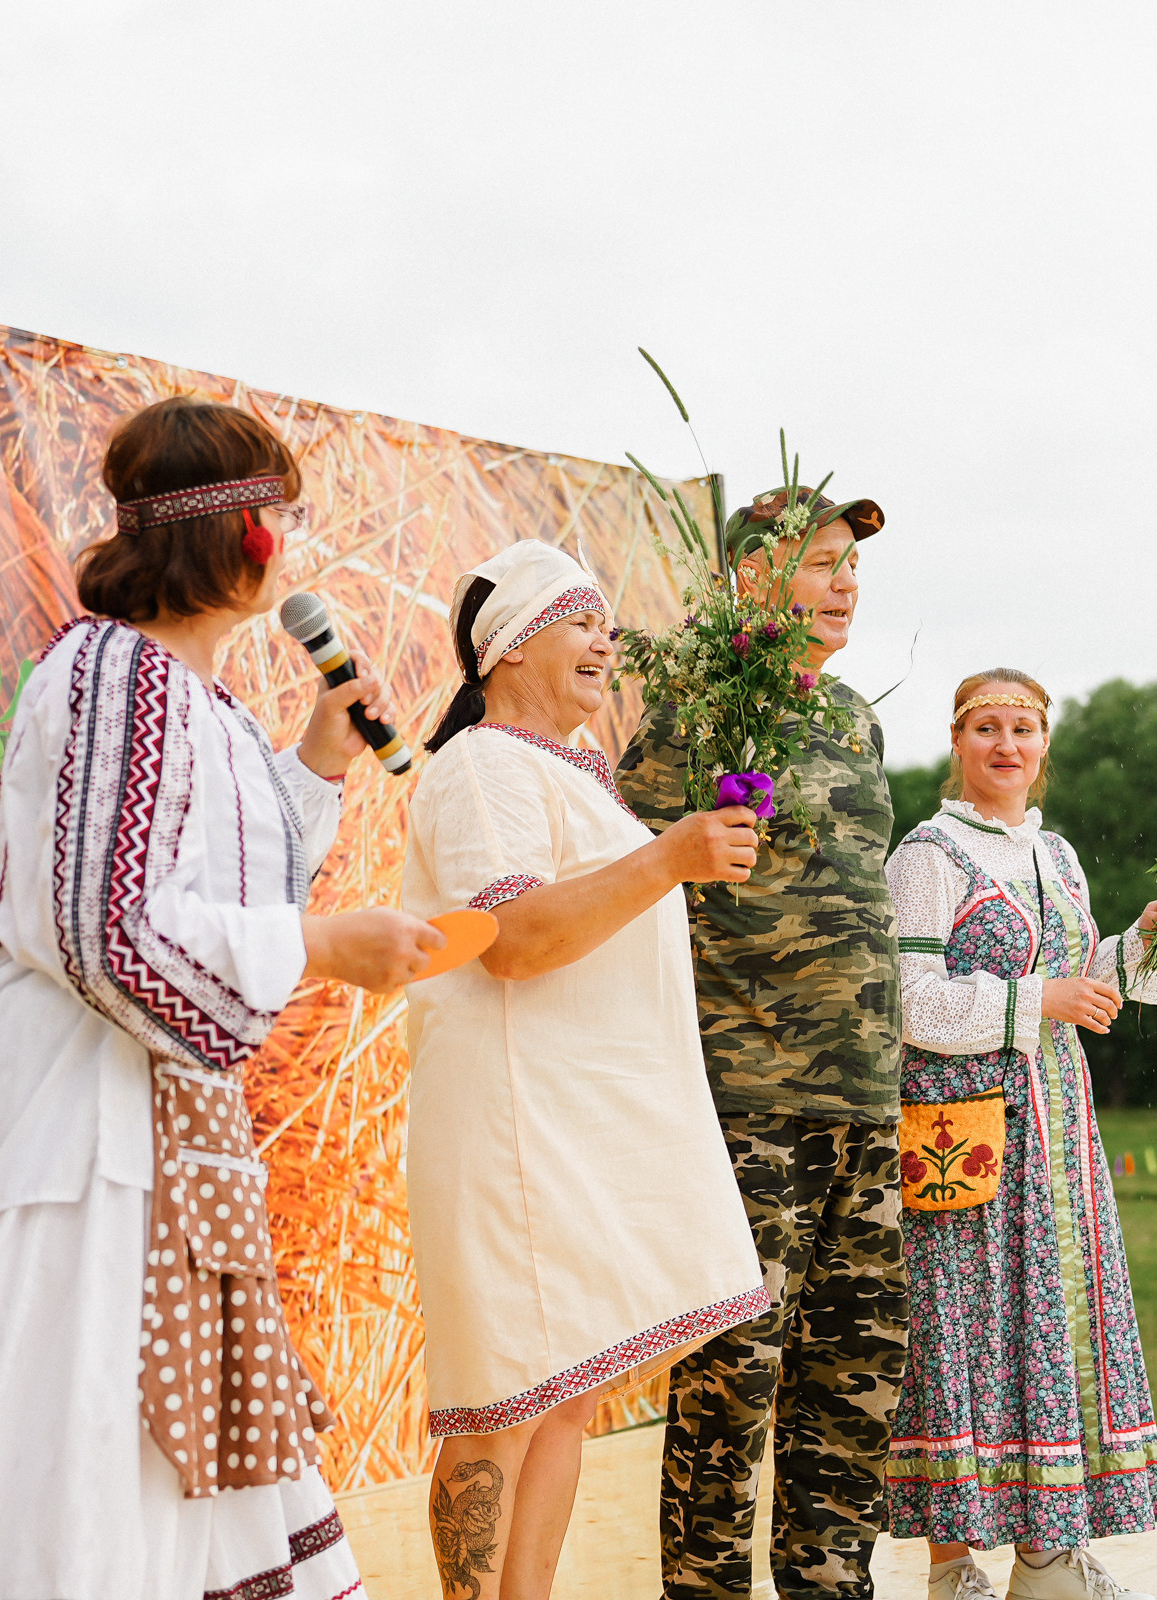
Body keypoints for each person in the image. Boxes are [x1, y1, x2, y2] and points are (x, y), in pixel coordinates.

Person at [0, 395, 441, 1600]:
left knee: (142, 1436)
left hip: (154, 1124)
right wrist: (325, 944)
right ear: (242, 534)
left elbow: (214, 896)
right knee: (79, 1429)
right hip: (82, 1121)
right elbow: (116, 926)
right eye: (277, 518)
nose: (285, 547)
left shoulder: (194, 699)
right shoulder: (113, 672)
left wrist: (316, 763)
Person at [401, 540, 771, 1600]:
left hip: (569, 1125)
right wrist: (672, 856)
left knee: (560, 1401)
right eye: (580, 619)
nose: (606, 639)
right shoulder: (481, 766)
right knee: (498, 1408)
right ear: (509, 647)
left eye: (607, 620)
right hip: (513, 1131)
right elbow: (511, 936)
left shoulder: (574, 780)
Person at [618, 487, 906, 1600]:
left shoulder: (853, 719)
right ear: (752, 580)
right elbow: (632, 881)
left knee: (858, 1370)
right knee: (735, 1375)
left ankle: (832, 1584)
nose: (845, 585)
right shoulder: (695, 714)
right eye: (822, 563)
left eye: (852, 567)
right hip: (745, 1099)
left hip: (865, 1107)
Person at [883, 671, 1157, 1600]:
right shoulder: (928, 855)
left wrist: (1141, 939)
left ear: (1044, 748)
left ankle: (1047, 1553)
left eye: (1024, 728)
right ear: (956, 741)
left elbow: (1083, 981)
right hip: (964, 1127)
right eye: (988, 727)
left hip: (1057, 1128)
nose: (1006, 745)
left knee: (1048, 1329)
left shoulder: (1058, 855)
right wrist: (1040, 1000)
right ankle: (952, 1572)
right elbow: (914, 1003)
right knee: (960, 1330)